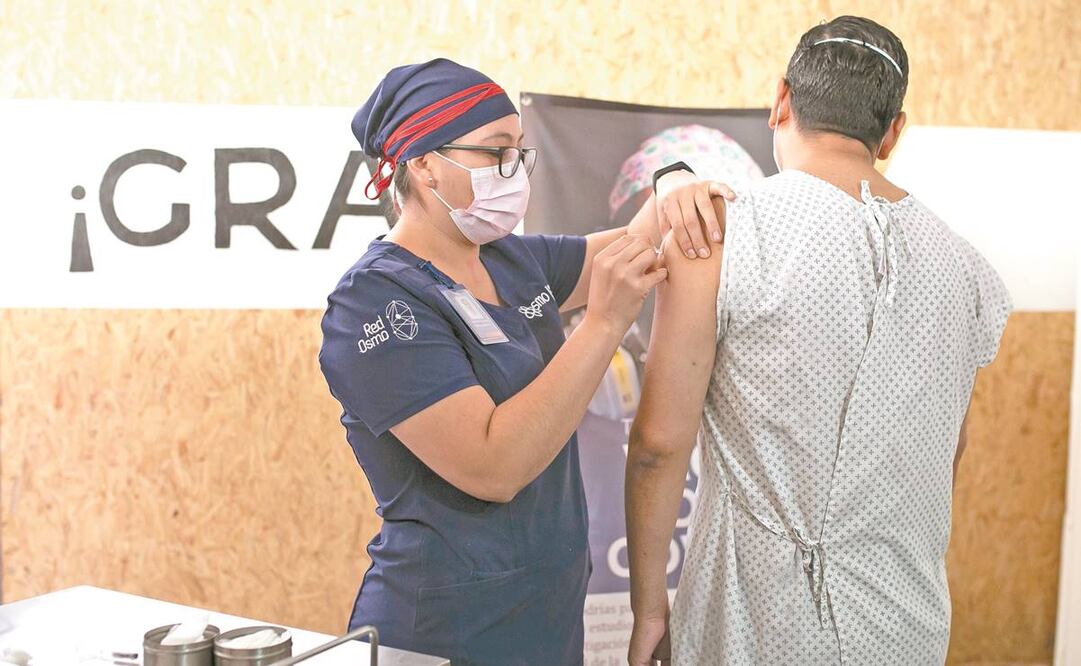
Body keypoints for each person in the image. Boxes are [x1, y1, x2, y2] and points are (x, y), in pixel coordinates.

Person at [626, 16, 1011, 665]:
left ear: (781, 100)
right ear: (891, 132)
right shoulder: (966, 271)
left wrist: (647, 611)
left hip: (750, 626)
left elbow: (658, 447)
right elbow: (950, 450)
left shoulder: (717, 238)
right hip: (902, 626)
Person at [317, 58, 729, 665]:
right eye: (494, 152)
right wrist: (604, 323)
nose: (513, 170)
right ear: (424, 164)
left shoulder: (508, 259)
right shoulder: (375, 304)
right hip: (444, 629)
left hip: (547, 619)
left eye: (519, 151)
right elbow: (494, 465)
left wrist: (670, 183)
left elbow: (631, 248)